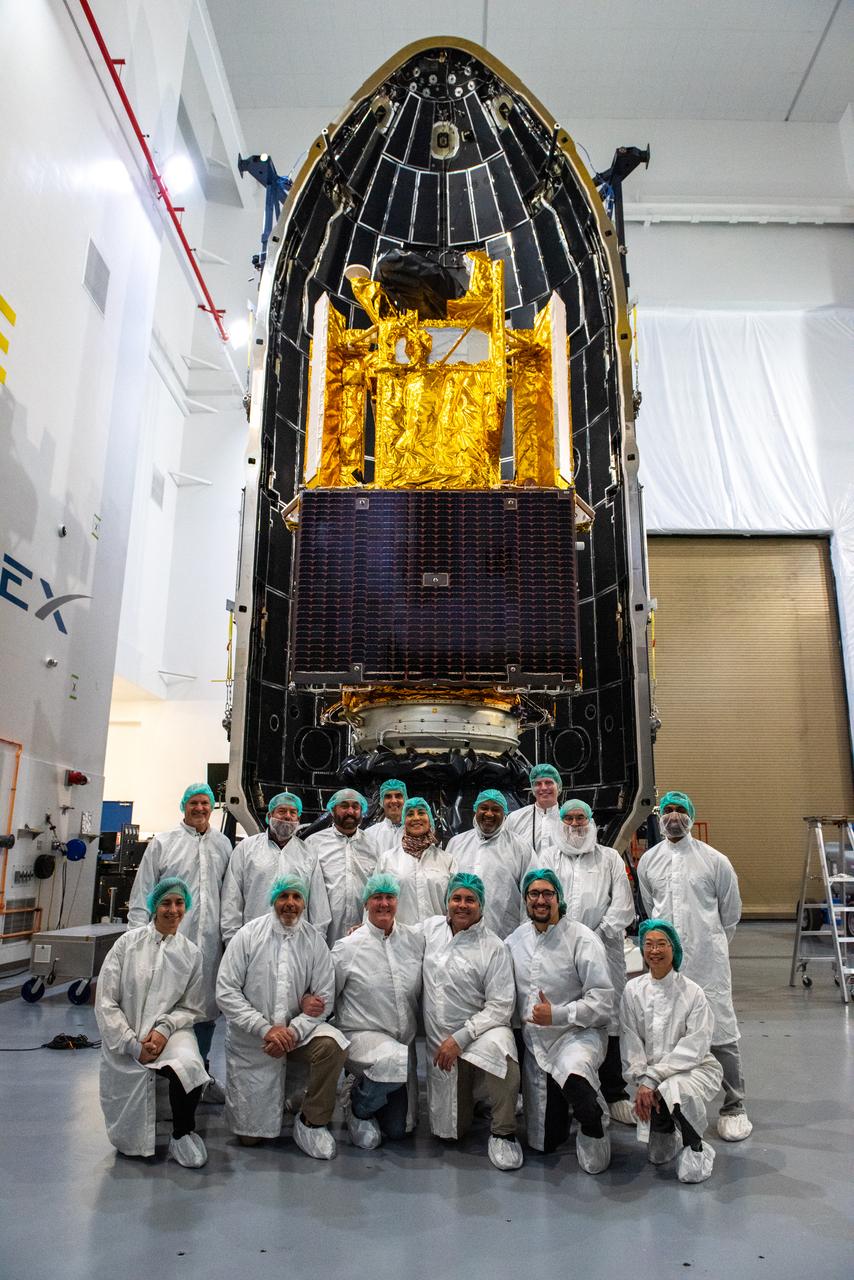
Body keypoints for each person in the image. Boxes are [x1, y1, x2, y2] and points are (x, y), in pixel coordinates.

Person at [638, 789, 752, 1141]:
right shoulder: (648, 861)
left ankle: (734, 1105)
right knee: (668, 1033)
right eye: (668, 810)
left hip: (707, 963)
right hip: (665, 967)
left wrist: (710, 945)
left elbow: (730, 914)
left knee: (721, 1032)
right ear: (660, 817)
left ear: (691, 814)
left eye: (680, 810)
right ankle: (675, 1104)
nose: (674, 817)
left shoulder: (715, 861)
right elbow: (650, 907)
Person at [215, 875, 348, 1159]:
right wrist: (265, 1029)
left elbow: (324, 998)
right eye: (284, 896)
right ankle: (281, 1100)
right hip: (254, 1044)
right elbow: (226, 992)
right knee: (249, 1139)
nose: (290, 903)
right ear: (273, 899)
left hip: (296, 1038)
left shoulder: (314, 941)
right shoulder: (248, 936)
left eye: (296, 897)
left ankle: (312, 1121)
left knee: (332, 1046)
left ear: (305, 903)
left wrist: (292, 1032)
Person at [95, 877, 210, 1167]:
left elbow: (190, 1007)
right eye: (166, 903)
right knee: (128, 1146)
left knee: (190, 1066)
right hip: (127, 1032)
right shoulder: (127, 945)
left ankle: (183, 1132)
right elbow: (106, 1002)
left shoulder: (191, 954)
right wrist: (133, 1045)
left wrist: (163, 1030)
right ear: (154, 907)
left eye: (179, 903)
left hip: (170, 1031)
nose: (173, 910)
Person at [506, 869, 614, 1174]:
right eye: (534, 894)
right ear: (526, 900)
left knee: (576, 1077)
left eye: (547, 894)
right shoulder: (515, 941)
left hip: (576, 1035)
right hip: (536, 1043)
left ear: (559, 899)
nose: (540, 900)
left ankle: (594, 1125)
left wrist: (558, 1014)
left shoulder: (582, 939)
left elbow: (603, 1003)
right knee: (544, 1143)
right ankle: (575, 1108)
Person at [127, 783, 230, 1099]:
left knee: (206, 1011)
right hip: (168, 945)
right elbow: (142, 893)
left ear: (212, 807)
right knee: (164, 1009)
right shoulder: (164, 843)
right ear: (184, 806)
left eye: (205, 803)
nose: (199, 808)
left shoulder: (223, 844)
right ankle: (163, 1076)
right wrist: (136, 945)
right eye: (194, 803)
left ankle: (201, 1075)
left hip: (210, 945)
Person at [538, 799, 636, 1125]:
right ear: (561, 823)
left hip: (604, 950)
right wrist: (566, 938)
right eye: (569, 817)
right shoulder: (548, 858)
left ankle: (615, 1090)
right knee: (565, 1015)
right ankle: (569, 1088)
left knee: (608, 1017)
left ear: (591, 821)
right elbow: (539, 899)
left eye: (581, 817)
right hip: (558, 951)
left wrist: (592, 937)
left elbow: (623, 907)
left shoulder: (608, 858)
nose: (576, 822)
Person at [421, 872, 523, 1171]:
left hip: (480, 1033)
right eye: (457, 898)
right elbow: (395, 937)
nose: (462, 905)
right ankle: (476, 1101)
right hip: (440, 1041)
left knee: (504, 1055)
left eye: (470, 900)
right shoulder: (429, 930)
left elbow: (501, 1006)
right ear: (447, 901)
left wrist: (462, 1037)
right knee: (451, 1131)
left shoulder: (494, 947)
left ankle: (503, 1132)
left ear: (481, 905)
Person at [621, 919, 723, 1183]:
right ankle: (666, 1130)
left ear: (674, 949)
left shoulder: (692, 992)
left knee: (674, 1088)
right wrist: (643, 1078)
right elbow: (631, 1042)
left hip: (693, 1069)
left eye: (661, 944)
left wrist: (655, 1077)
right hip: (650, 1076)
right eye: (648, 944)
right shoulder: (633, 990)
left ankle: (696, 1146)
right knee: (657, 1154)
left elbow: (695, 1048)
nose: (654, 951)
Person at [331, 872, 425, 1148]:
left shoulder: (413, 940)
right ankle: (357, 1103)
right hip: (362, 1037)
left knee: (399, 1129)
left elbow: (443, 927)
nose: (384, 904)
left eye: (389, 897)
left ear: (397, 901)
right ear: (366, 903)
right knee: (391, 1061)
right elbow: (327, 994)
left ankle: (374, 1096)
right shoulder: (348, 948)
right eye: (377, 898)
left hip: (401, 1046)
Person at [220, 791, 330, 942]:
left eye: (293, 812)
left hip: (297, 941)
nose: (287, 816)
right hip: (254, 939)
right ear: (269, 816)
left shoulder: (308, 854)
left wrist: (316, 941)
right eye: (282, 811)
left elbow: (319, 904)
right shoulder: (246, 849)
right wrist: (232, 940)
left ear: (298, 819)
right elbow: (232, 897)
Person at [445, 789, 529, 939]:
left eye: (496, 809)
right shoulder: (456, 843)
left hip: (504, 934)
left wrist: (525, 935)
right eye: (484, 808)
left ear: (505, 814)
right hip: (459, 933)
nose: (489, 814)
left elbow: (531, 891)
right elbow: (446, 889)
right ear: (475, 810)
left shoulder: (520, 847)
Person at [304, 788, 376, 944]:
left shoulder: (373, 844)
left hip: (363, 930)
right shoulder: (314, 843)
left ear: (362, 811)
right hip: (324, 931)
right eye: (344, 806)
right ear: (332, 810)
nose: (350, 811)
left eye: (355, 807)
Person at [375, 797, 454, 924]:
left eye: (421, 813)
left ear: (429, 820)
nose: (416, 818)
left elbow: (455, 904)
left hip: (437, 938)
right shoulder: (387, 859)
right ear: (404, 821)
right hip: (400, 938)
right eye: (410, 814)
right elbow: (374, 901)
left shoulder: (447, 860)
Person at [504, 763, 563, 855]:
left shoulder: (569, 821)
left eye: (548, 782)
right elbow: (505, 853)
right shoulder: (514, 819)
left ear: (558, 786)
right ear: (532, 788)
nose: (543, 788)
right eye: (538, 784)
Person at [363, 778, 408, 856]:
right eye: (388, 796)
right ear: (381, 802)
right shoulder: (369, 834)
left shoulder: (416, 833)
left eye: (398, 796)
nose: (394, 801)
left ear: (405, 800)